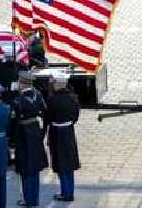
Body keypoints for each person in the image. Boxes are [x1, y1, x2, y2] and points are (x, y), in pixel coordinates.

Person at [13, 70, 49, 207]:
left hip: (24, 136)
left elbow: (14, 121)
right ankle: (34, 199)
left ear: (22, 83)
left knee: (25, 169)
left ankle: (28, 200)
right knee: (35, 168)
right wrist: (43, 132)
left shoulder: (19, 100)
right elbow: (44, 113)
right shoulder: (38, 95)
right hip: (36, 132)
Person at [46, 73, 81, 202]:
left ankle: (65, 192)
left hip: (56, 133)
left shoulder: (51, 100)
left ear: (56, 84)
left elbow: (48, 118)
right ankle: (69, 192)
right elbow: (75, 117)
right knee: (69, 164)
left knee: (61, 164)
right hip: (69, 132)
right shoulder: (73, 98)